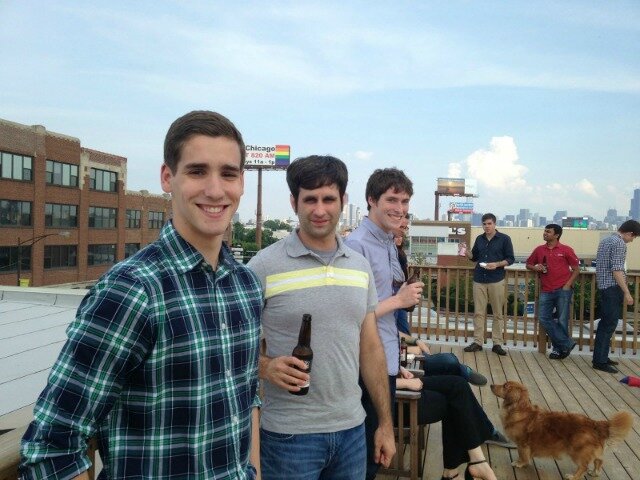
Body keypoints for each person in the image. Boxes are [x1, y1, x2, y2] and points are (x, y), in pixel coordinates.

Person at [20, 111, 263, 479]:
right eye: (197, 171)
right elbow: (54, 444)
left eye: (228, 173)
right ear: (168, 178)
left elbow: (246, 400)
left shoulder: (246, 285)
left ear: (242, 182)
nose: (216, 190)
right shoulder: (132, 289)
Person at [247, 155, 395, 479]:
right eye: (309, 199)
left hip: (352, 431)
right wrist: (266, 367)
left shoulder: (359, 266)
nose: (319, 209)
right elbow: (230, 347)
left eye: (328, 199)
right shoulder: (262, 267)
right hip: (287, 437)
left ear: (343, 200)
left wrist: (385, 424)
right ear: (293, 202)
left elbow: (370, 348)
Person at [344, 168, 424, 479]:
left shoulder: (388, 241)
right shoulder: (358, 245)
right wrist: (399, 301)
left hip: (388, 358)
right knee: (365, 457)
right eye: (392, 199)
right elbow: (350, 314)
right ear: (371, 200)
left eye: (404, 201)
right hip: (366, 364)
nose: (400, 208)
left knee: (376, 455)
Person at [397, 369, 499, 480]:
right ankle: (468, 465)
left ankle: (455, 471)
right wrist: (406, 382)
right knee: (454, 401)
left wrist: (400, 368)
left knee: (458, 385)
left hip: (398, 385)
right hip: (393, 402)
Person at [525, 224, 580, 360]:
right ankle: (566, 343)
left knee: (562, 320)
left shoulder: (566, 249)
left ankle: (558, 350)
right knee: (543, 318)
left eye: (548, 232)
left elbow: (576, 269)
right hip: (546, 289)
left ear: (556, 235)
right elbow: (528, 264)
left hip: (563, 289)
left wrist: (568, 285)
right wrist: (535, 268)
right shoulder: (539, 249)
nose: (545, 233)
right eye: (544, 231)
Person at [592, 220, 640, 373]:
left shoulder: (606, 240)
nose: (632, 240)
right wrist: (627, 292)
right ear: (629, 233)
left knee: (606, 324)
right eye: (633, 237)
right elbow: (617, 270)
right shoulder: (619, 244)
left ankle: (602, 357)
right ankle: (599, 361)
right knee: (608, 325)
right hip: (613, 288)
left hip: (605, 287)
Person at [464, 213, 514, 356]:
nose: (486, 226)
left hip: (496, 279)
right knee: (478, 313)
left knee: (497, 313)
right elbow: (474, 257)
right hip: (479, 278)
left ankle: (497, 343)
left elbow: (510, 259)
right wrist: (467, 253)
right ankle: (478, 342)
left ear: (494, 224)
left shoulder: (504, 239)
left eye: (489, 224)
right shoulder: (479, 239)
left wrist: (497, 264)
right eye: (484, 224)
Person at [394, 214, 411, 335]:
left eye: (405, 228)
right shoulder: (392, 251)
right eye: (402, 227)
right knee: (401, 324)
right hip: (395, 291)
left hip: (401, 289)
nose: (403, 233)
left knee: (402, 324)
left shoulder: (400, 252)